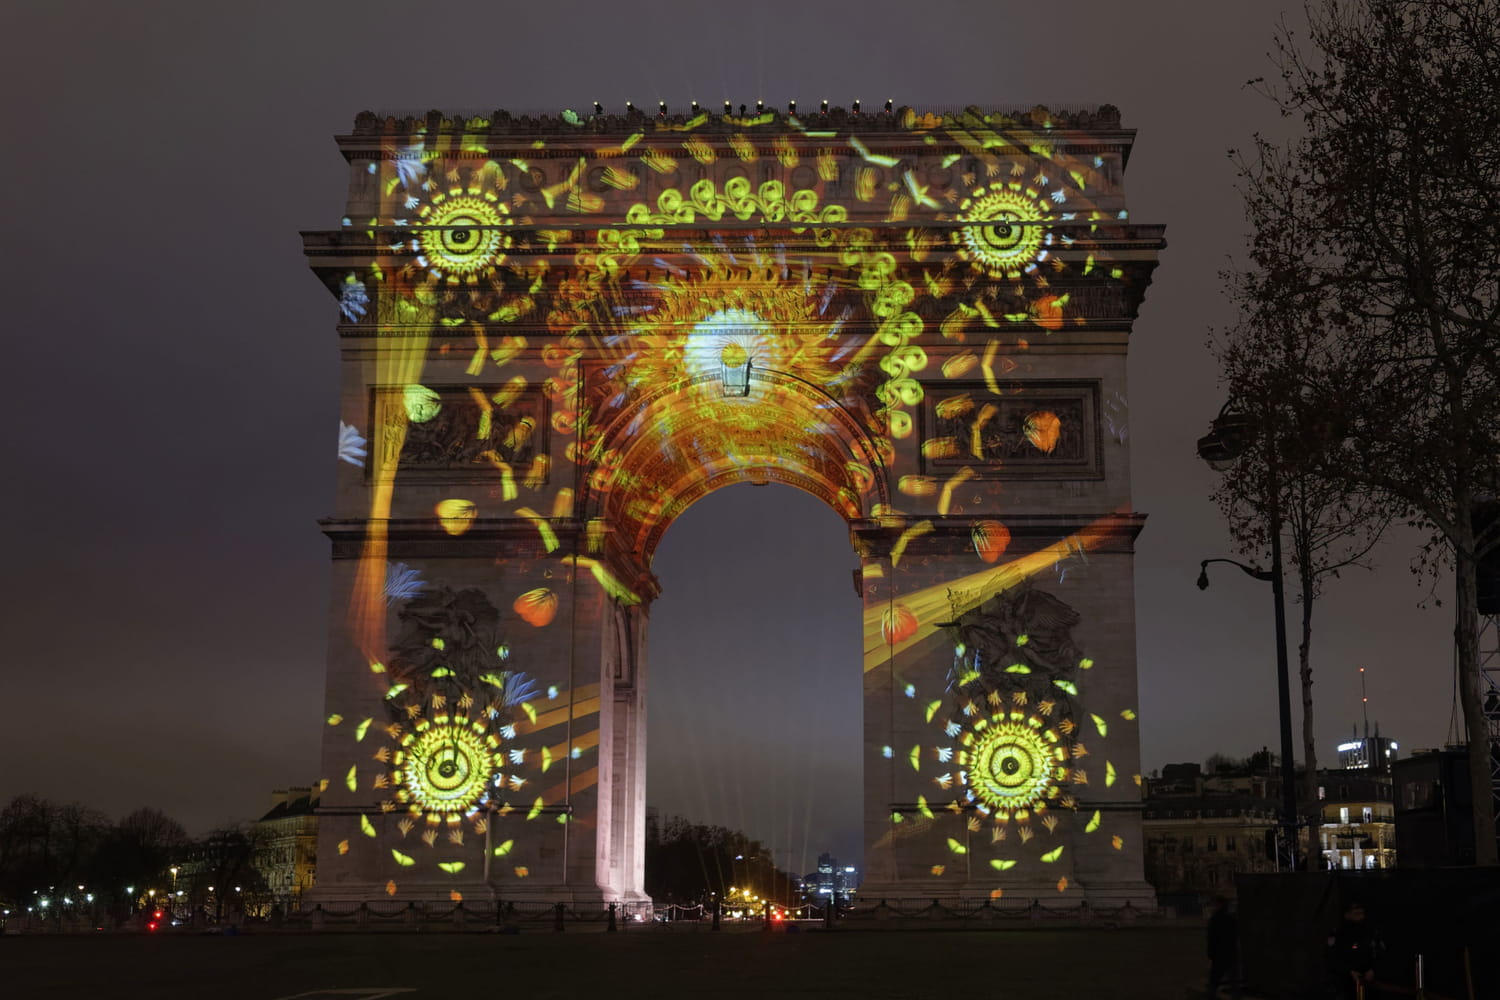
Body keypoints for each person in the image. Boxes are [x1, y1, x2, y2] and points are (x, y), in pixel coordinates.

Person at [1327, 900, 1381, 999]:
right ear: (1347, 915)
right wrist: (1349, 972)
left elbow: (1379, 953)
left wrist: (1373, 970)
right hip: (1344, 985)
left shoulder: (1370, 932)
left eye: (1362, 913)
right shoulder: (1339, 934)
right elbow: (1332, 958)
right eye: (1356, 914)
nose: (1361, 917)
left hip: (1369, 984)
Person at [1206, 895, 1240, 999]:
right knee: (1234, 983)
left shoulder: (1215, 919)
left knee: (1214, 982)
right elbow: (1235, 936)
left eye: (1214, 904)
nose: (1212, 906)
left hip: (1219, 956)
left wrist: (1211, 955)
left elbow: (1211, 940)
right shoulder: (1231, 918)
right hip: (1231, 954)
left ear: (1219, 905)